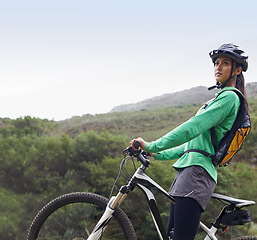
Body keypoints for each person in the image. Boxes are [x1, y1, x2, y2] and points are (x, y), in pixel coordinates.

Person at [130, 43, 249, 240]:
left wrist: (152, 144)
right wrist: (154, 153)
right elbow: (190, 146)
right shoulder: (216, 100)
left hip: (197, 173)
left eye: (225, 63)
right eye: (216, 63)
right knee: (172, 237)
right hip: (188, 173)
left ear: (237, 70)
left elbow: (191, 128)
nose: (218, 67)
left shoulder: (229, 98)